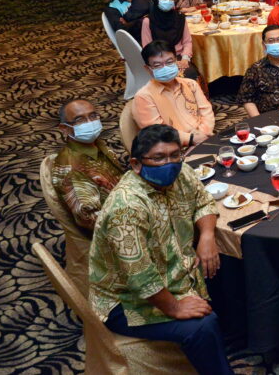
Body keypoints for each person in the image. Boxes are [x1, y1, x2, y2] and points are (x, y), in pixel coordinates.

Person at [89, 124, 232, 375]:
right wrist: (175, 308)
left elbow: (203, 201)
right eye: (158, 158)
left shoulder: (182, 172)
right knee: (202, 326)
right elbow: (139, 277)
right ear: (135, 164)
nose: (170, 163)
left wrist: (207, 236)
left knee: (227, 265)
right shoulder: (127, 208)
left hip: (175, 269)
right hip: (126, 301)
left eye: (174, 155)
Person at [53, 100, 125, 233]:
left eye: (92, 116)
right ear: (64, 128)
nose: (89, 123)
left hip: (123, 200)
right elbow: (91, 220)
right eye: (79, 120)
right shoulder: (72, 168)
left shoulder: (96, 144)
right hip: (115, 228)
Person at [133, 41, 214, 147]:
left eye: (169, 62)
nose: (165, 68)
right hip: (173, 148)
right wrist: (190, 138)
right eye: (157, 65)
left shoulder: (190, 84)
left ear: (176, 61)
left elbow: (206, 111)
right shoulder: (144, 96)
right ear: (148, 69)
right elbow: (157, 131)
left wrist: (204, 132)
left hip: (204, 137)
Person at [139, 0, 197, 79]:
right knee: (172, 75)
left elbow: (187, 42)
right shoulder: (148, 21)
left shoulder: (180, 18)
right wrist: (167, 62)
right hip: (158, 59)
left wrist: (185, 59)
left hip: (178, 56)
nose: (168, 1)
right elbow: (147, 47)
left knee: (190, 73)